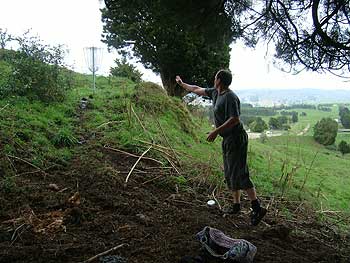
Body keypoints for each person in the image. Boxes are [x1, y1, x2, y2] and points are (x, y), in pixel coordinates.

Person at [175, 70, 266, 226]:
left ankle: (257, 207)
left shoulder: (230, 97)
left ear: (219, 80)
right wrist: (182, 84)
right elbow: (197, 89)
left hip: (237, 139)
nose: (213, 78)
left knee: (240, 172)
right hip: (228, 139)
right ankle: (236, 206)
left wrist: (215, 131)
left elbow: (235, 119)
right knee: (230, 172)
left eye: (215, 76)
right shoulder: (216, 93)